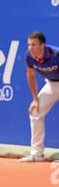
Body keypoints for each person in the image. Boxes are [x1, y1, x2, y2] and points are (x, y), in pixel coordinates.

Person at [20, 31, 59, 162]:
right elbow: (30, 75)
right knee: (35, 111)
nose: (30, 48)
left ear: (42, 45)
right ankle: (37, 154)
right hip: (52, 84)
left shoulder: (56, 55)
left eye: (34, 45)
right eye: (29, 44)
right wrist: (35, 99)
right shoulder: (29, 57)